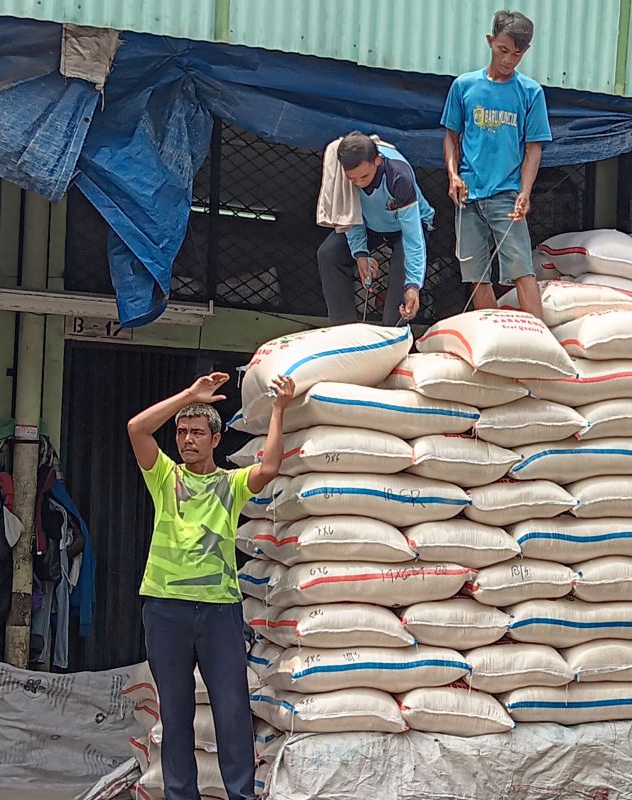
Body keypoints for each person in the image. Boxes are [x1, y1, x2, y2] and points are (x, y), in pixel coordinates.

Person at [127, 371, 295, 800]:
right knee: (177, 713)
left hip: (220, 610)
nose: (187, 440)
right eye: (182, 432)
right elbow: (137, 428)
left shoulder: (231, 484)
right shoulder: (164, 476)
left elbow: (272, 466)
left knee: (233, 710)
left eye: (198, 432)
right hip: (165, 609)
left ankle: (241, 793)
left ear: (215, 440)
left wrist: (278, 409)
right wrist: (188, 395)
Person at [441, 9, 552, 319]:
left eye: (517, 54)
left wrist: (525, 191)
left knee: (521, 270)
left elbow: (533, 149)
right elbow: (451, 137)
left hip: (507, 194)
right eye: (503, 50)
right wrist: (452, 175)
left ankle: (540, 343)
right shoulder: (464, 87)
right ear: (491, 42)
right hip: (468, 195)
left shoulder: (530, 93)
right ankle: (494, 339)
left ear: (525, 52)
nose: (508, 60)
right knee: (475, 274)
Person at [317, 131, 435, 325]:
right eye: (353, 179)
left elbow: (413, 237)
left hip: (404, 227)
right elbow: (349, 213)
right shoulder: (342, 175)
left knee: (397, 309)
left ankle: (392, 335)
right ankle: (343, 330)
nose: (359, 183)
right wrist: (360, 254)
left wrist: (413, 285)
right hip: (369, 224)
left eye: (364, 176)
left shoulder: (398, 176)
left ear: (378, 160)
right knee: (329, 254)